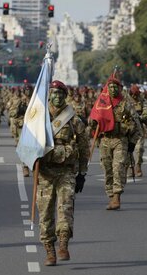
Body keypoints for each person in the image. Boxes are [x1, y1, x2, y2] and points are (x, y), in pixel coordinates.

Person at [37, 80, 89, 266]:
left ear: (65, 95)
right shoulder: (39, 117)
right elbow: (26, 143)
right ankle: (49, 249)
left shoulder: (73, 119)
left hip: (66, 172)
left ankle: (63, 243)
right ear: (49, 95)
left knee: (65, 209)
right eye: (54, 93)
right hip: (44, 173)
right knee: (45, 214)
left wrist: (82, 173)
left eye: (60, 93)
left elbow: (84, 148)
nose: (57, 96)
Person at [90, 78, 141, 210]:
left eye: (115, 87)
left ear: (120, 88)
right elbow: (92, 119)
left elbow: (137, 126)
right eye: (110, 87)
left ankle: (117, 197)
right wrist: (93, 123)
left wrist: (132, 143)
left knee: (118, 167)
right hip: (105, 140)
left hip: (120, 140)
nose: (113, 89)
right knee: (107, 169)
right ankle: (110, 195)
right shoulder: (101, 102)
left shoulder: (126, 104)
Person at [128, 84, 147, 177]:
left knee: (139, 148)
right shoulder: (126, 101)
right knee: (128, 150)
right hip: (128, 127)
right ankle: (130, 167)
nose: (135, 97)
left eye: (137, 95)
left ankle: (138, 165)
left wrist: (140, 117)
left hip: (139, 127)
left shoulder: (143, 101)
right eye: (133, 94)